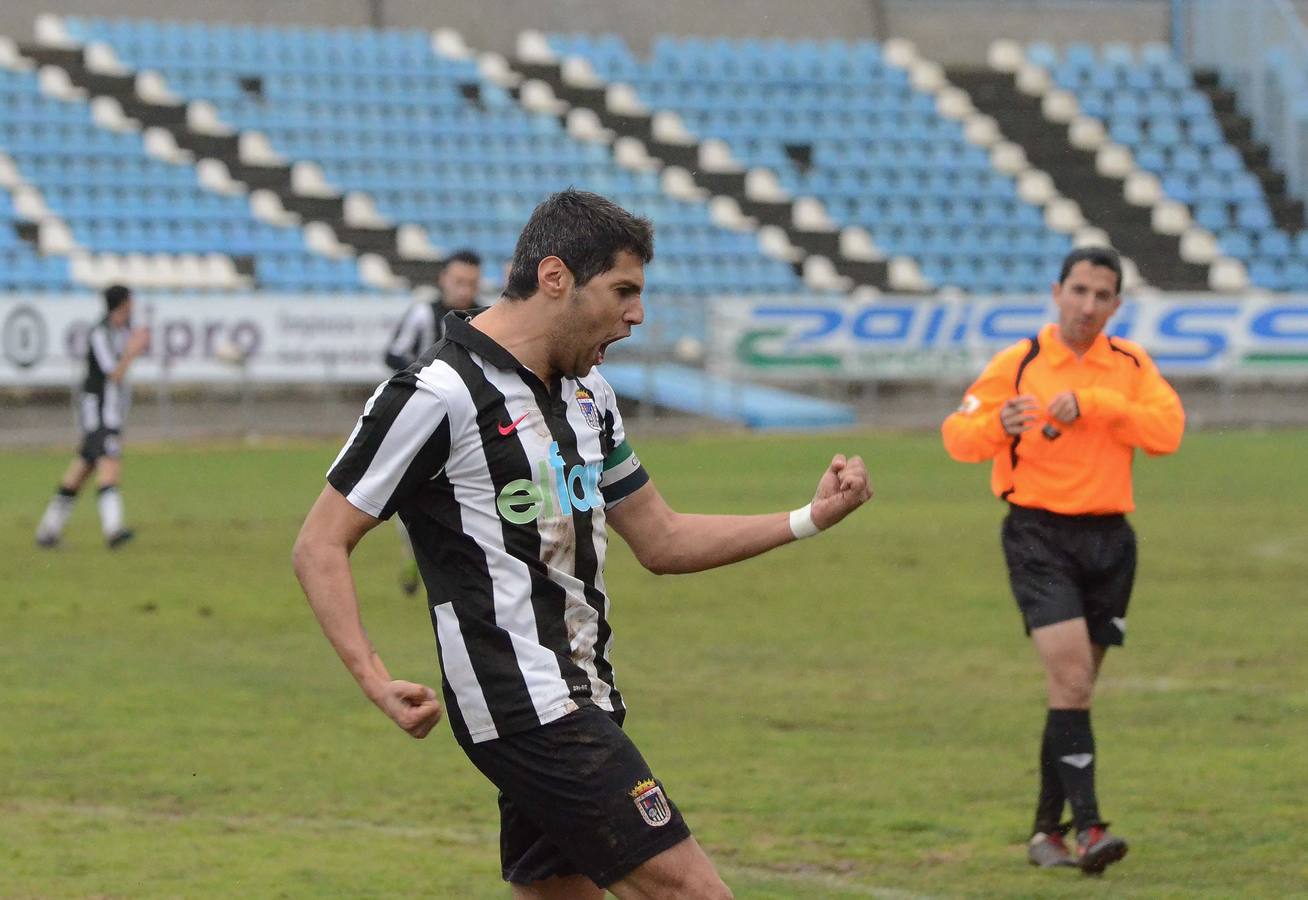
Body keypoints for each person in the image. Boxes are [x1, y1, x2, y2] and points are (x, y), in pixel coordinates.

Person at [293, 190, 872, 900]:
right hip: (526, 705)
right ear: (557, 277)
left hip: (584, 691)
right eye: (624, 291)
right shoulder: (435, 395)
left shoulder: (589, 394)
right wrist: (373, 676)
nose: (637, 315)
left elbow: (661, 538)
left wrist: (808, 517)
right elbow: (320, 542)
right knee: (694, 891)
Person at [941, 247, 1184, 874]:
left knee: (1071, 693)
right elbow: (958, 437)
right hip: (1037, 536)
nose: (1088, 307)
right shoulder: (1018, 363)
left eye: (1102, 296)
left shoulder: (1129, 364)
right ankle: (1091, 830)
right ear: (1057, 292)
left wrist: (1099, 404)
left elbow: (1167, 433)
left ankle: (1045, 834)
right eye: (1079, 291)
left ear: (1117, 305)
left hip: (1110, 542)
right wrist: (1001, 422)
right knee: (1072, 683)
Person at [382, 248, 483, 594]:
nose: (464, 289)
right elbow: (393, 353)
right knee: (411, 488)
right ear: (443, 280)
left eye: (471, 282)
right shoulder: (424, 313)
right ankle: (414, 549)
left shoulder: (483, 317)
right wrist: (426, 376)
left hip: (466, 419)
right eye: (458, 281)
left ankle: (457, 564)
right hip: (419, 419)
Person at [35, 284, 149, 549]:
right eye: (131, 300)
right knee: (109, 463)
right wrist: (133, 351)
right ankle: (114, 530)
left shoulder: (118, 332)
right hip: (98, 412)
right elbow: (114, 373)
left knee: (82, 470)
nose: (134, 305)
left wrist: (132, 347)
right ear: (122, 303)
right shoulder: (100, 333)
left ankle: (48, 531)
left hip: (109, 413)